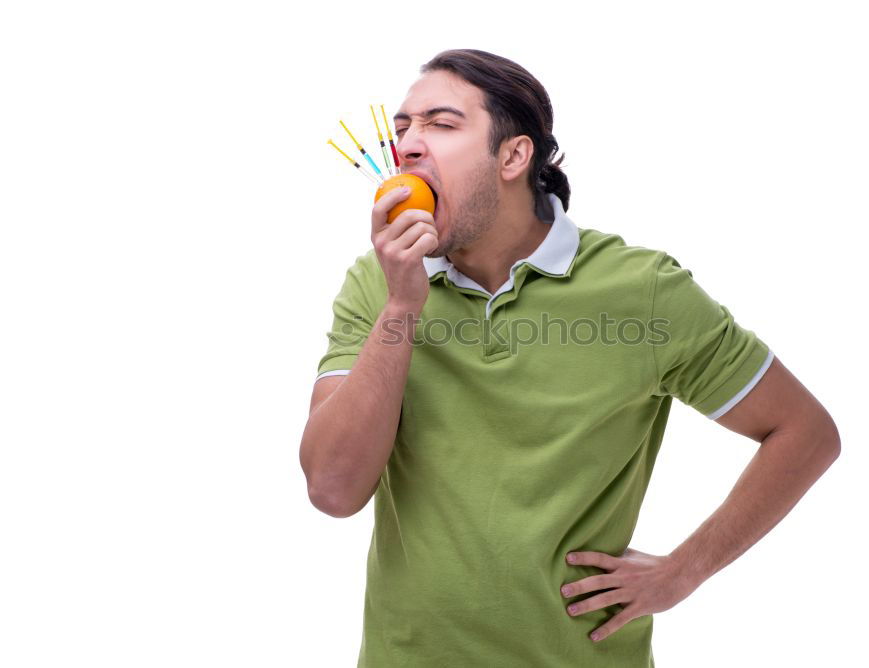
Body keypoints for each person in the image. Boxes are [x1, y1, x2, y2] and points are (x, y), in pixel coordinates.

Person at [299, 48, 840, 667]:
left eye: (442, 124)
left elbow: (804, 432)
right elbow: (333, 490)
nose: (409, 147)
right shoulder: (377, 286)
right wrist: (401, 307)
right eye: (403, 129)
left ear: (513, 155)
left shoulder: (643, 290)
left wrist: (683, 572)